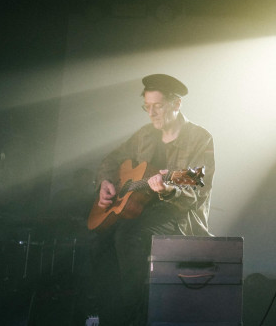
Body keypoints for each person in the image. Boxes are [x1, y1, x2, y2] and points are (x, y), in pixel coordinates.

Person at [91, 74, 215, 326]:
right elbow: (111, 160)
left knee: (129, 236)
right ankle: (105, 316)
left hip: (179, 217)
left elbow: (197, 190)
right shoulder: (144, 135)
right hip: (140, 211)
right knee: (98, 238)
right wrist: (104, 182)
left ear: (176, 104)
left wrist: (169, 189)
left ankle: (135, 319)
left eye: (157, 106)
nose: (151, 113)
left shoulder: (200, 138)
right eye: (147, 106)